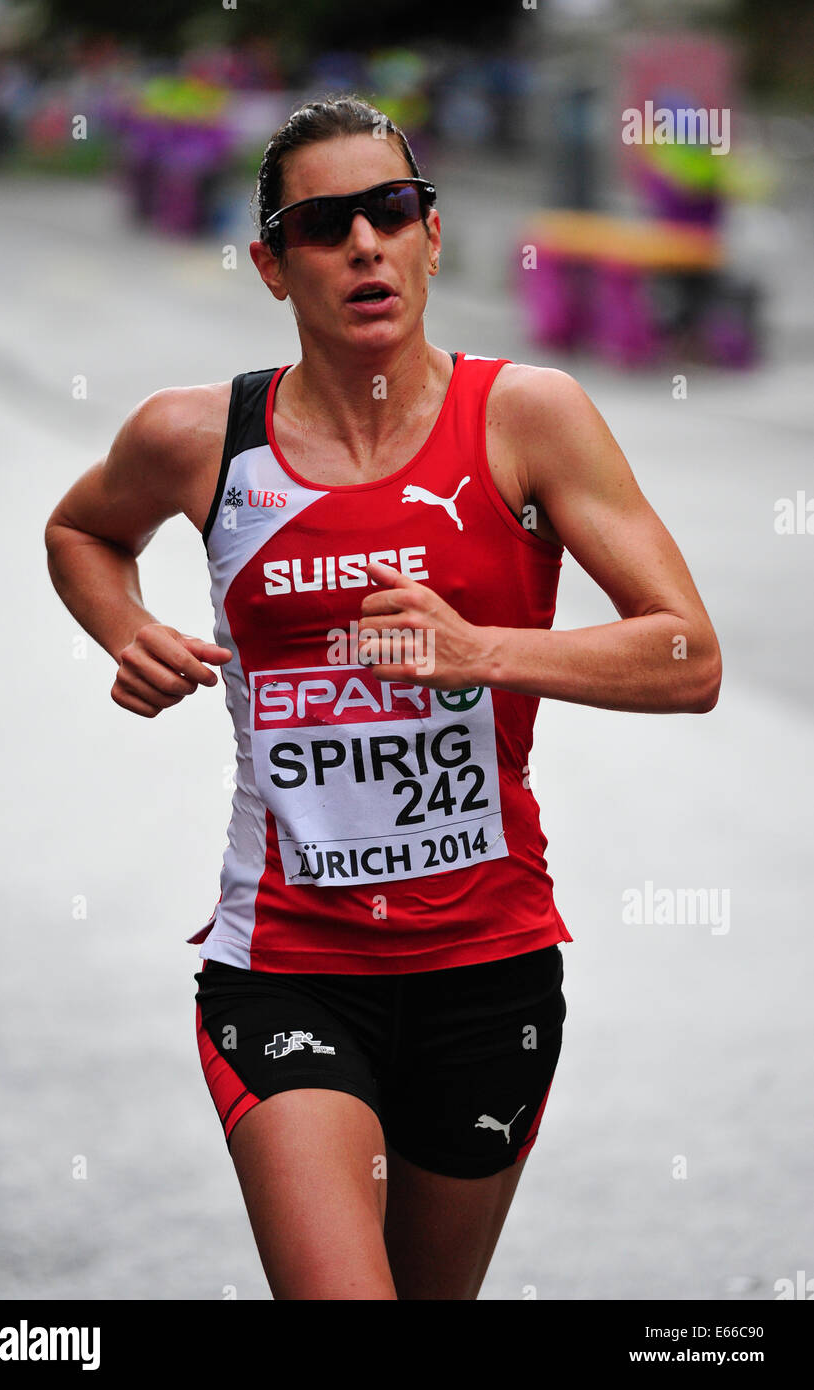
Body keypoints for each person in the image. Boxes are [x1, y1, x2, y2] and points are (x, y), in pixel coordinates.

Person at [43, 96, 722, 1301]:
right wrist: (128, 627)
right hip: (286, 965)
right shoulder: (202, 438)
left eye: (391, 210)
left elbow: (690, 659)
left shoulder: (528, 417)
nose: (365, 243)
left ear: (432, 237)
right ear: (270, 265)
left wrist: (485, 653)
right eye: (324, 223)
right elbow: (83, 529)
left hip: (489, 963)